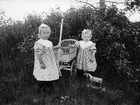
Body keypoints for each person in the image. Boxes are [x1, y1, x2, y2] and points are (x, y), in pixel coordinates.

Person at [33, 23, 61, 97]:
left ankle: (49, 88)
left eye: (48, 33)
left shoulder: (49, 43)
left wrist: (56, 47)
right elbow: (38, 54)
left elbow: (50, 50)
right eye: (44, 33)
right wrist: (41, 63)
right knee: (42, 74)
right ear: (39, 34)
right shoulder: (39, 43)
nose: (46, 35)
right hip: (43, 62)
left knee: (48, 74)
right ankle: (41, 89)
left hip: (50, 62)